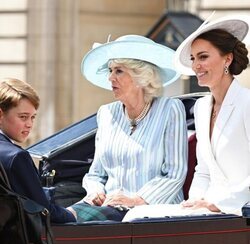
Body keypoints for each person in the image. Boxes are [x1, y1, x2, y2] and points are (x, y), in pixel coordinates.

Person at [67, 34, 188, 222]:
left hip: (153, 210)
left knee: (76, 224)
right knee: (59, 219)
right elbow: (96, 174)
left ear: (141, 76)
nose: (110, 78)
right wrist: (96, 192)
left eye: (118, 71)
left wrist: (137, 200)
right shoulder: (106, 113)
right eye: (110, 70)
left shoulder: (170, 109)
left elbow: (175, 173)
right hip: (109, 206)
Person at [174, 14, 250, 215]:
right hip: (207, 212)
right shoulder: (201, 108)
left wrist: (217, 205)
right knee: (135, 217)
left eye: (203, 56)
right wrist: (195, 202)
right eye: (193, 58)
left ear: (227, 58)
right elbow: (203, 170)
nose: (195, 65)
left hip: (240, 211)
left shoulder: (247, 102)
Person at [0, 78, 75, 223]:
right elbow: (43, 211)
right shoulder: (17, 157)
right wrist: (71, 214)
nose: (29, 124)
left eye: (32, 117)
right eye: (23, 117)